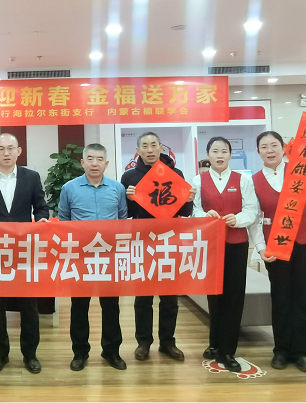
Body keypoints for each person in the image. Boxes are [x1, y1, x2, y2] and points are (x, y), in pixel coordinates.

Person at [247, 127, 306, 373]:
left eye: (274, 145)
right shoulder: (253, 181)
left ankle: (300, 352)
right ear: (258, 152)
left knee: (304, 297)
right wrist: (261, 248)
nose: (270, 150)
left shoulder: (299, 170)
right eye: (264, 147)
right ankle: (281, 350)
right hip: (276, 245)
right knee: (281, 297)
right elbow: (255, 219)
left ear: (284, 148)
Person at [0, 133, 49, 374]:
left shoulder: (31, 177)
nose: (6, 153)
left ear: (19, 151)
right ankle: (0, 354)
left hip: (24, 250)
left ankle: (30, 354)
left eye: (10, 148)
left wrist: (43, 219)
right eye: (1, 149)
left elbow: (41, 207)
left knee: (29, 306)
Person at [119, 132, 194, 363]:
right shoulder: (129, 177)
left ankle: (168, 342)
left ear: (161, 148)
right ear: (138, 151)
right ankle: (143, 342)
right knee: (143, 297)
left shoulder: (175, 174)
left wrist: (189, 199)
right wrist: (130, 200)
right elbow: (126, 214)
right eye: (145, 146)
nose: (150, 150)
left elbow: (185, 212)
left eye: (154, 145)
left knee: (170, 297)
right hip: (142, 242)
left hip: (169, 241)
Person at [191, 136, 260, 373]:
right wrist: (204, 215)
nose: (219, 155)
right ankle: (215, 342)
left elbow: (252, 210)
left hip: (236, 243)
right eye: (215, 151)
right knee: (214, 294)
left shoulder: (243, 180)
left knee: (233, 295)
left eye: (224, 151)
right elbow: (194, 209)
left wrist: (237, 219)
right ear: (207, 155)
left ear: (230, 155)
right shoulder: (198, 180)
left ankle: (228, 350)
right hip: (210, 244)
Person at [59, 143, 128, 372]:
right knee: (79, 306)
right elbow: (64, 222)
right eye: (90, 159)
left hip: (109, 257)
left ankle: (111, 351)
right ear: (83, 162)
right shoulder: (69, 188)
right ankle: (80, 352)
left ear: (106, 163)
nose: (95, 163)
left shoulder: (117, 188)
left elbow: (122, 220)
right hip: (81, 257)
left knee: (111, 306)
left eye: (99, 159)